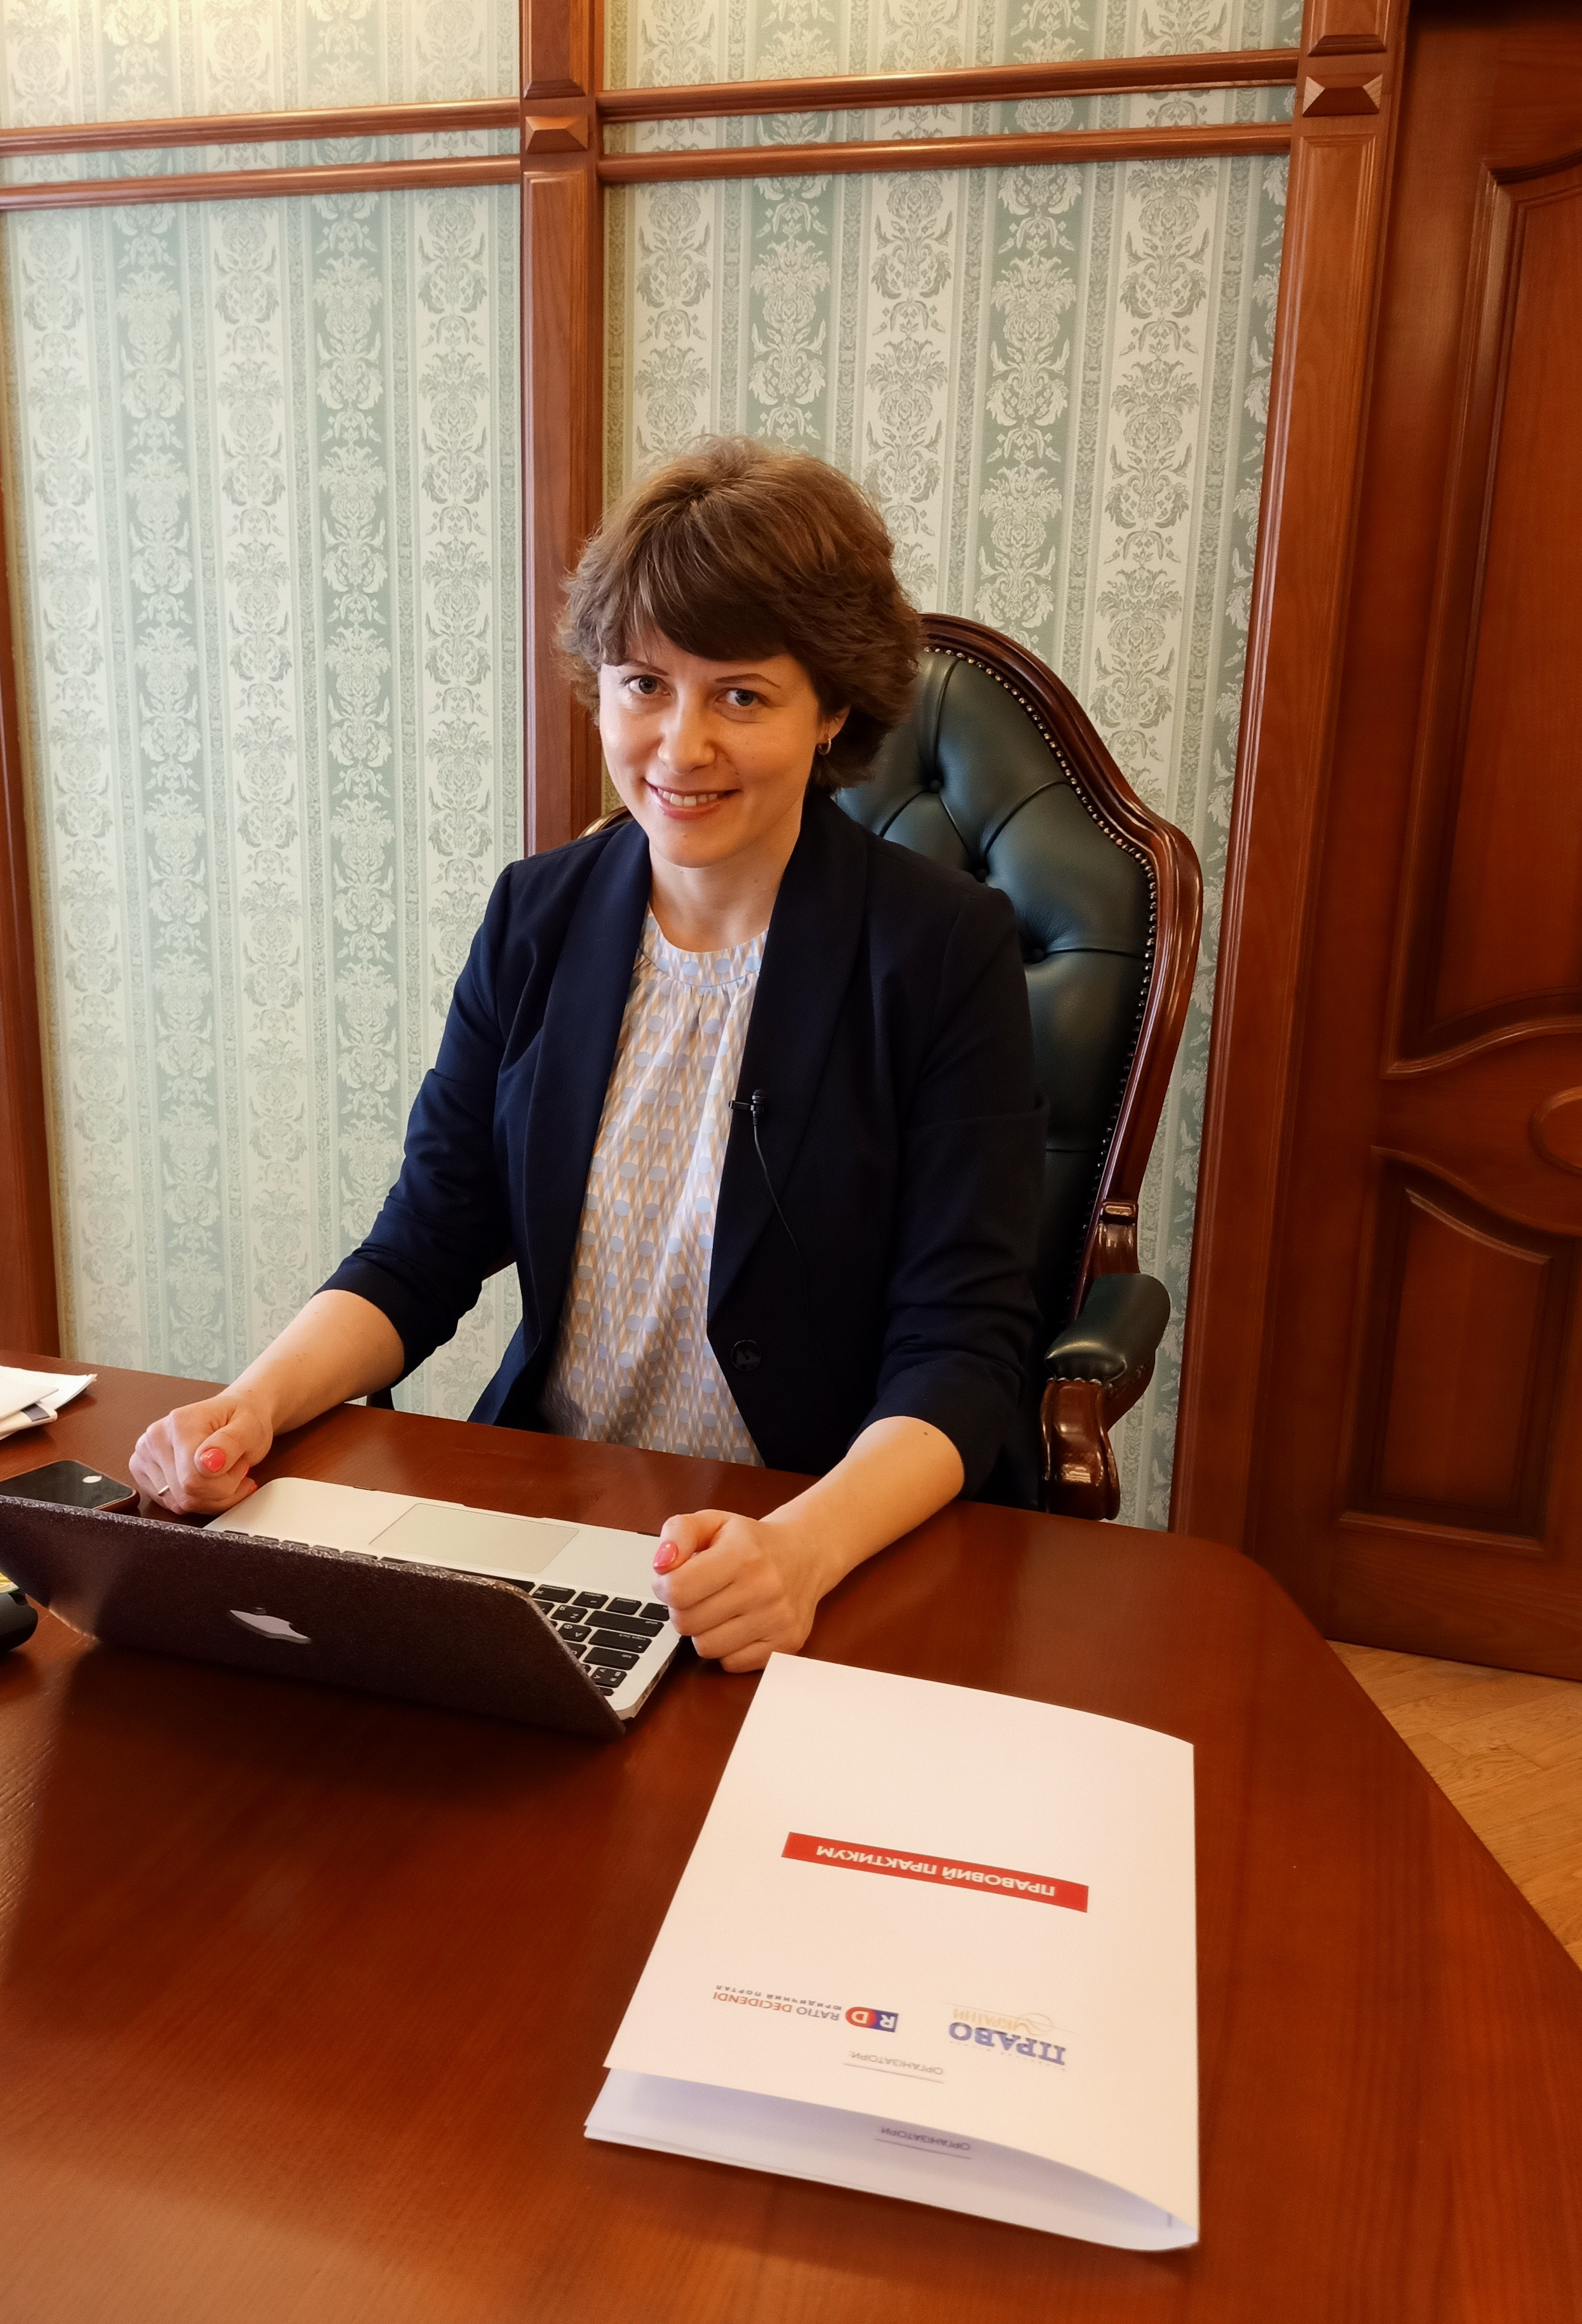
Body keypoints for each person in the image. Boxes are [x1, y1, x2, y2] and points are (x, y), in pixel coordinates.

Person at [131, 438, 1041, 1670]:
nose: (680, 746)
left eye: (741, 696)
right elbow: (425, 1241)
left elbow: (962, 1351)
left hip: (818, 1544)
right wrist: (251, 1403)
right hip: (560, 1516)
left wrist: (801, 1549)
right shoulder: (537, 915)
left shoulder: (941, 950)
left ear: (832, 710)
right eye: (644, 684)